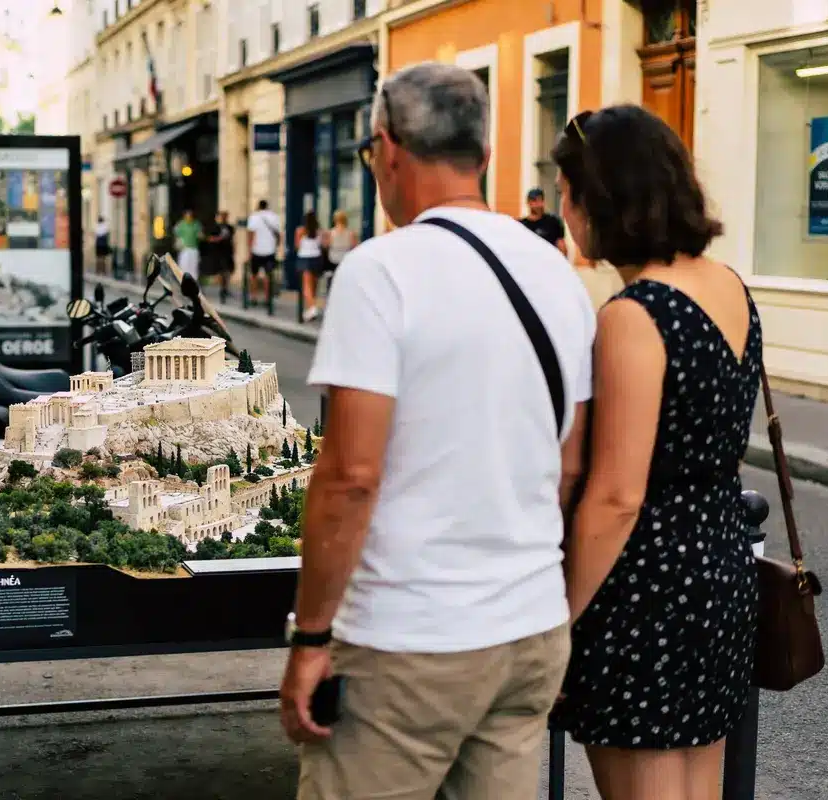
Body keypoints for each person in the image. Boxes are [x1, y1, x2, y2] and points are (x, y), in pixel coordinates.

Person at [280, 61, 595, 800]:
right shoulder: (557, 274)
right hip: (528, 631)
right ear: (483, 156)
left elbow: (351, 476)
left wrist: (311, 638)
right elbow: (571, 467)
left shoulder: (379, 272)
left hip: (409, 639)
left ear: (387, 150)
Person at [551, 105, 761, 800]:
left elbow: (616, 496)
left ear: (599, 198)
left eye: (565, 189)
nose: (561, 207)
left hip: (647, 587)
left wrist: (560, 618)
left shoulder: (634, 315)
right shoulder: (729, 286)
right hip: (722, 565)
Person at [246, 199, 281, 306]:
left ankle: (253, 297)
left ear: (258, 206)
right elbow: (279, 235)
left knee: (253, 275)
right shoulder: (274, 217)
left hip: (256, 250)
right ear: (267, 206)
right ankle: (267, 298)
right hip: (270, 250)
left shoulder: (254, 217)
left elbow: (251, 235)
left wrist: (249, 251)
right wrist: (276, 247)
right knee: (268, 275)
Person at [294, 210, 326, 323]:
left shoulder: (300, 231)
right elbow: (324, 245)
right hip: (317, 259)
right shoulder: (319, 231)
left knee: (306, 286)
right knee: (314, 286)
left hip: (304, 258)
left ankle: (312, 308)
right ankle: (310, 308)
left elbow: (297, 246)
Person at [522, 187, 568, 255]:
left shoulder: (553, 221)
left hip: (549, 262)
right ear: (528, 202)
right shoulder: (522, 225)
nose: (537, 204)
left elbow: (561, 245)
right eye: (534, 201)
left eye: (540, 200)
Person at [323, 209, 358, 292]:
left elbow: (326, 245)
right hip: (346, 257)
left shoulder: (331, 232)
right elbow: (354, 246)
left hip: (333, 257)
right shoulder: (351, 233)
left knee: (332, 279)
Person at [207, 210, 236, 302]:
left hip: (228, 252)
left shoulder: (230, 227)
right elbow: (210, 239)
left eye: (225, 216)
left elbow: (232, 239)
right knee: (220, 271)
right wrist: (219, 239)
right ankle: (222, 289)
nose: (224, 218)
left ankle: (225, 288)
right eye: (222, 216)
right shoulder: (215, 227)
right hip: (218, 252)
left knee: (228, 271)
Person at [173, 209, 203, 280]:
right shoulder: (181, 224)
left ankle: (193, 282)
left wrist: (201, 235)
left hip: (194, 248)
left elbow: (200, 234)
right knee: (183, 266)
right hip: (184, 249)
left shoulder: (196, 224)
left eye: (191, 215)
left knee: (193, 267)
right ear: (184, 216)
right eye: (188, 215)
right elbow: (176, 233)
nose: (189, 217)